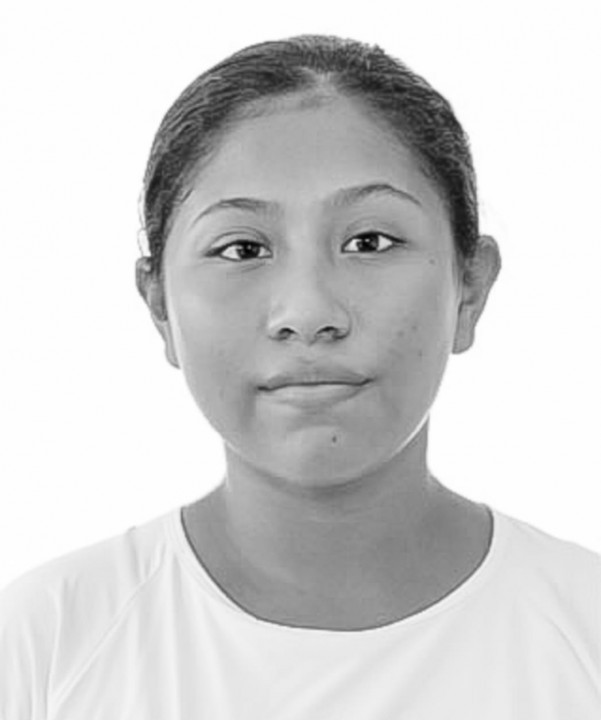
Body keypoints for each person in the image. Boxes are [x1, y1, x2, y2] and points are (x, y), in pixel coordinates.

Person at [1, 33, 599, 718]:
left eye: (369, 242)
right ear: (159, 305)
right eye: (242, 248)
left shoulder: (585, 629)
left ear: (470, 290)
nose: (308, 313)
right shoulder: (47, 643)